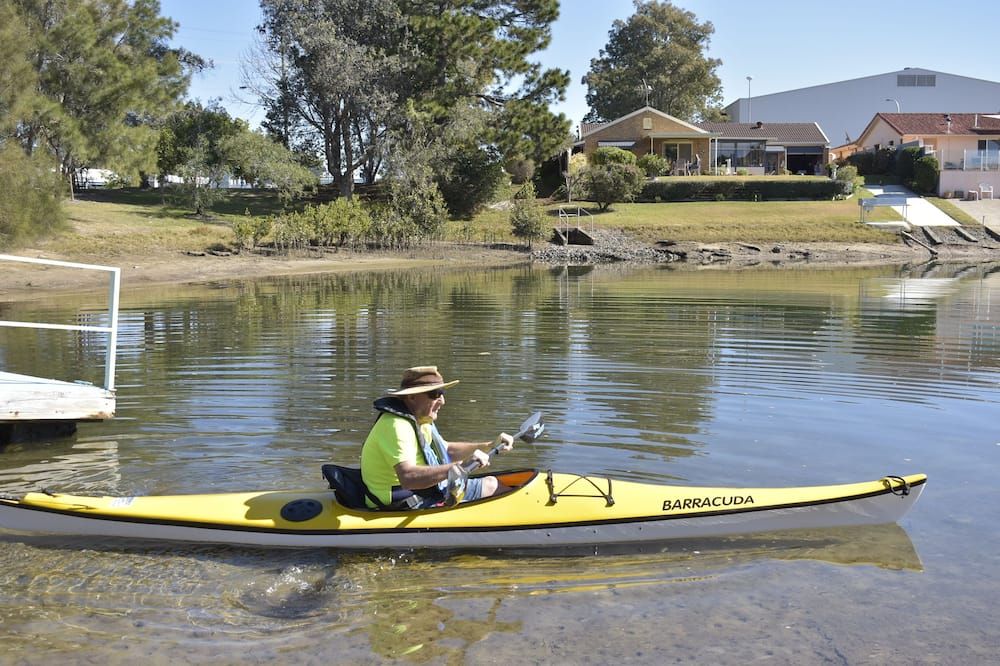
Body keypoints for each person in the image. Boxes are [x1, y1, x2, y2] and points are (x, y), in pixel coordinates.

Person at [360, 366, 514, 509]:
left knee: (492, 484)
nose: (442, 401)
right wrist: (457, 468)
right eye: (435, 395)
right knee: (494, 490)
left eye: (442, 393)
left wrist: (490, 445)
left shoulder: (421, 419)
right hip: (405, 501)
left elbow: (446, 450)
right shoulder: (396, 425)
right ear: (412, 397)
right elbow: (408, 477)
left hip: (426, 490)